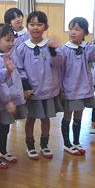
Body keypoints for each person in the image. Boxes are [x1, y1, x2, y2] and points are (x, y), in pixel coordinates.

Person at [12, 11, 62, 160]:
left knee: (46, 118)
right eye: (32, 24)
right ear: (27, 26)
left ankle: (44, 145)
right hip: (32, 92)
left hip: (48, 89)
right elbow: (18, 69)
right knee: (31, 118)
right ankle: (30, 146)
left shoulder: (50, 45)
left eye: (39, 24)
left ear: (46, 27)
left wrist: (53, 50)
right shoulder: (21, 48)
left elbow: (58, 63)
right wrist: (26, 87)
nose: (35, 27)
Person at [58, 17, 95, 154]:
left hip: (83, 89)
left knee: (79, 116)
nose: (73, 32)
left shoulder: (87, 47)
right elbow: (60, 71)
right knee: (67, 116)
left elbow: (94, 56)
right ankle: (67, 143)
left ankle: (76, 142)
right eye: (71, 29)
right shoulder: (64, 49)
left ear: (85, 33)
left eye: (77, 29)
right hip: (69, 90)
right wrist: (61, 89)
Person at [0, 24, 27, 169]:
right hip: (3, 102)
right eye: (7, 40)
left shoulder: (6, 56)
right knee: (3, 129)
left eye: (12, 40)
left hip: (9, 99)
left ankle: (2, 151)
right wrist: (7, 101)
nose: (11, 43)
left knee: (6, 127)